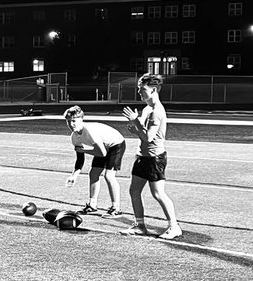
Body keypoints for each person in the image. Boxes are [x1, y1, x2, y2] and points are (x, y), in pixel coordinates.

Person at [119, 73, 182, 239]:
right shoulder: (147, 109)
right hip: (142, 156)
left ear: (154, 90)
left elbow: (148, 137)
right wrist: (136, 127)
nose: (139, 92)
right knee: (134, 191)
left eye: (142, 89)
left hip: (154, 158)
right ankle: (140, 225)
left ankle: (174, 226)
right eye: (138, 89)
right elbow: (142, 133)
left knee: (158, 193)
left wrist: (136, 122)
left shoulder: (156, 111)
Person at [63, 105, 125, 216]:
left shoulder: (90, 132)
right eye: (68, 122)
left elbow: (103, 153)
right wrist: (74, 176)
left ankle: (116, 208)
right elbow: (80, 159)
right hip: (102, 146)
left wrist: (85, 150)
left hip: (116, 143)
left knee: (109, 175)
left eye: (73, 121)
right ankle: (92, 205)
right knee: (94, 173)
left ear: (81, 120)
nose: (71, 124)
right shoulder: (74, 137)